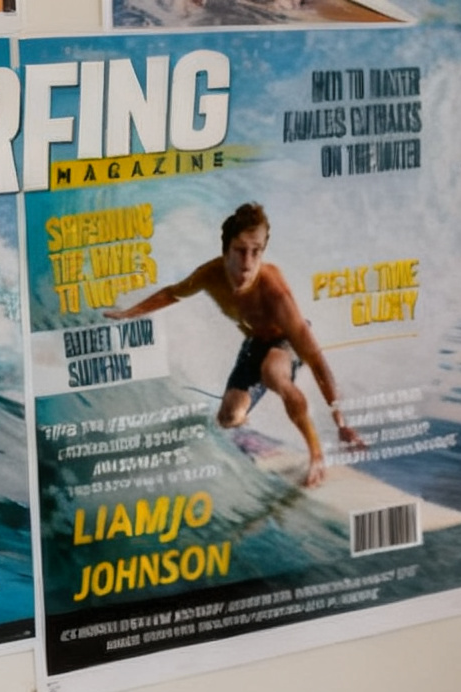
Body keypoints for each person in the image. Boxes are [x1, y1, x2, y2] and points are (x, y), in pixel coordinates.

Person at [106, 201, 366, 489]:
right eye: (240, 250)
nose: (248, 262)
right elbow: (172, 293)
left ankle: (315, 453)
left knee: (273, 373)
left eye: (257, 251)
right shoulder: (209, 275)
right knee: (228, 417)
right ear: (225, 250)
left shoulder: (275, 293)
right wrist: (129, 314)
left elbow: (317, 360)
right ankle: (247, 428)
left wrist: (341, 423)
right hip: (255, 343)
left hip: (286, 342)